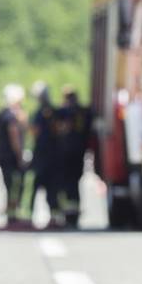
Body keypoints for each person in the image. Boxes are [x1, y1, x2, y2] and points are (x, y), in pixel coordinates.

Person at [53, 85, 91, 229]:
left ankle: (69, 215)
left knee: (67, 185)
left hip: (66, 153)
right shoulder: (84, 112)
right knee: (75, 184)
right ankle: (74, 214)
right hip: (79, 153)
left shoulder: (66, 112)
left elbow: (62, 128)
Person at [28, 81, 62, 227]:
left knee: (40, 186)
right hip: (51, 155)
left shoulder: (44, 113)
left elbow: (35, 131)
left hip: (45, 156)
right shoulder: (52, 112)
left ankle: (51, 217)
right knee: (48, 187)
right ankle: (52, 217)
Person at [0, 83, 29, 227]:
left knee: (9, 187)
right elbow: (14, 136)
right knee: (16, 186)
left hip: (3, 156)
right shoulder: (11, 117)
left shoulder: (1, 114)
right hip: (12, 158)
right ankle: (14, 216)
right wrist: (20, 155)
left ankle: (11, 215)